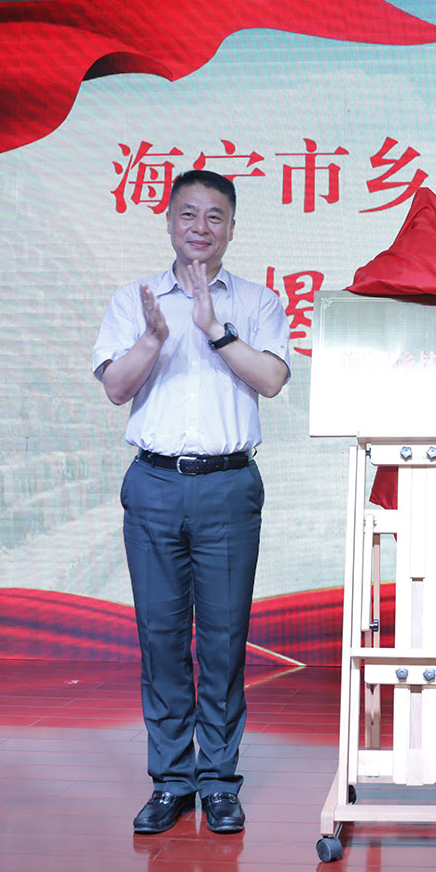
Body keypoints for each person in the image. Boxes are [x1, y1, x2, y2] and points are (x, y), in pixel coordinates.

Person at [91, 168, 290, 834]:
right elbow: (116, 388)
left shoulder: (257, 302)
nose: (200, 228)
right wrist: (154, 339)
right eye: (189, 214)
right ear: (170, 220)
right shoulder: (134, 301)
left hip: (228, 486)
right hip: (153, 485)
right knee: (162, 637)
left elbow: (272, 380)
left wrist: (215, 329)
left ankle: (220, 782)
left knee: (225, 641)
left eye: (215, 217)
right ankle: (172, 781)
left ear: (231, 228)